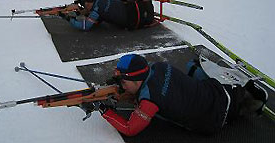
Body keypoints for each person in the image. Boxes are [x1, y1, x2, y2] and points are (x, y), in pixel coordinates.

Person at [97, 54, 268, 137]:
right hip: (217, 90)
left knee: (233, 110)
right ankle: (244, 92)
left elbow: (130, 129)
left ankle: (248, 105)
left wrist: (105, 111)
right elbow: (152, 87)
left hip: (213, 119)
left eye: (124, 82)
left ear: (135, 79)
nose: (122, 86)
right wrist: (125, 94)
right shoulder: (159, 66)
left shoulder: (149, 101)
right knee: (192, 66)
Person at [59, 0, 155, 31]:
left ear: (89, 1)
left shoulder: (97, 10)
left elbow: (85, 27)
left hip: (130, 20)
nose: (84, 5)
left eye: (84, 3)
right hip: (129, 8)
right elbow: (99, 18)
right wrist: (82, 12)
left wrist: (68, 18)